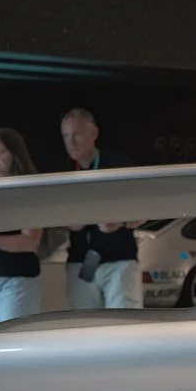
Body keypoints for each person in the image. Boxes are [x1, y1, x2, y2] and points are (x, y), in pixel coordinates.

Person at [58, 107, 141, 310]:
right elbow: (59, 219)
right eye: (66, 136)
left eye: (76, 134)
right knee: (85, 330)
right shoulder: (62, 172)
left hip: (119, 259)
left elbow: (143, 211)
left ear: (94, 133)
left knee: (124, 328)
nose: (71, 141)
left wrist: (121, 222)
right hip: (81, 261)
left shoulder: (120, 165)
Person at [0, 127, 55, 322]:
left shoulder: (27, 192)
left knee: (13, 339)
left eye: (0, 151)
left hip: (17, 278)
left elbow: (31, 241)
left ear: (14, 154)